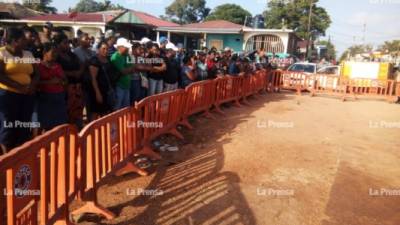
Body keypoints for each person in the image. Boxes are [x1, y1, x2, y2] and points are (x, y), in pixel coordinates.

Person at [0, 27, 39, 154]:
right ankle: (6, 157)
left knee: (24, 124)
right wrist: (19, 87)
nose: (26, 41)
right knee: (8, 125)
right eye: (23, 39)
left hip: (27, 95)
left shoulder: (28, 54)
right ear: (15, 41)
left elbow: (36, 73)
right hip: (8, 95)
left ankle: (21, 156)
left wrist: (31, 86)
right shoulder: (2, 53)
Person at [54, 33, 85, 128]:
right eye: (64, 43)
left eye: (68, 42)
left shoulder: (72, 55)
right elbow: (56, 70)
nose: (67, 45)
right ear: (58, 44)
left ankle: (77, 132)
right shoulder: (56, 57)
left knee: (77, 111)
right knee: (66, 112)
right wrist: (71, 73)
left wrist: (79, 72)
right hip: (65, 88)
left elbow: (82, 64)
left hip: (77, 87)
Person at [36, 43, 68, 132]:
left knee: (59, 125)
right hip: (45, 98)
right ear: (44, 53)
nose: (55, 55)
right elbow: (34, 83)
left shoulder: (58, 66)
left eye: (56, 53)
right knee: (43, 124)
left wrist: (62, 81)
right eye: (53, 52)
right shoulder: (38, 66)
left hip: (59, 97)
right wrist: (49, 82)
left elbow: (65, 80)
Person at [87, 41, 114, 120]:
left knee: (105, 113)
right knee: (95, 113)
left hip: (106, 91)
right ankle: (92, 131)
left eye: (107, 49)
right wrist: (97, 93)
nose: (105, 50)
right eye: (103, 49)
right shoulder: (94, 60)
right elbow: (93, 78)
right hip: (97, 91)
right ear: (98, 49)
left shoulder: (108, 59)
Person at [110, 37, 134, 110]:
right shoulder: (115, 57)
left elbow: (132, 68)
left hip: (127, 85)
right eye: (126, 47)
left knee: (126, 107)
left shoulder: (127, 55)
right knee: (117, 107)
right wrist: (130, 69)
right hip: (119, 85)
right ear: (120, 47)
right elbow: (124, 71)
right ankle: (115, 121)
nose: (127, 49)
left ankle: (124, 121)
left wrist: (130, 69)